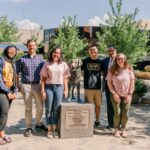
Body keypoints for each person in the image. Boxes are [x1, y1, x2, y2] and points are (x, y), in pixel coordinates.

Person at [16, 39, 47, 137]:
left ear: (36, 46)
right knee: (28, 108)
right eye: (30, 45)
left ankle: (38, 124)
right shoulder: (22, 59)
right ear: (27, 46)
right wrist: (18, 85)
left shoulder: (41, 59)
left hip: (37, 85)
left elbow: (44, 74)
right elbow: (17, 73)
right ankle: (29, 127)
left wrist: (43, 87)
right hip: (26, 85)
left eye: (33, 45)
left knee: (40, 107)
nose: (31, 47)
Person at [40, 47, 70, 139]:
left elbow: (65, 78)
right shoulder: (47, 64)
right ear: (51, 53)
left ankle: (55, 129)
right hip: (49, 87)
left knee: (56, 109)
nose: (56, 54)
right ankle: (49, 129)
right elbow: (43, 79)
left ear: (60, 54)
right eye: (54, 52)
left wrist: (66, 89)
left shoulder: (64, 64)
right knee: (48, 108)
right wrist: (43, 90)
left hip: (59, 88)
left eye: (58, 53)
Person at [106, 53, 135, 138]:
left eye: (122, 58)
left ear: (125, 59)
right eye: (118, 59)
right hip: (116, 95)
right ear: (116, 60)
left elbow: (132, 82)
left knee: (125, 112)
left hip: (127, 95)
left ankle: (123, 129)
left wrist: (129, 95)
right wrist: (114, 94)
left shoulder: (129, 69)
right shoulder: (112, 69)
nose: (120, 60)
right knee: (117, 113)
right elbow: (108, 82)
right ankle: (116, 129)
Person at [81, 45, 103, 128]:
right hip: (88, 87)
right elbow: (78, 69)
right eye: (91, 50)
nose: (93, 51)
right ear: (89, 52)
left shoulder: (101, 62)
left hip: (98, 88)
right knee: (89, 105)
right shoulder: (85, 61)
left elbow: (107, 71)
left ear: (97, 51)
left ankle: (97, 120)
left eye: (94, 50)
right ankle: (89, 120)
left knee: (98, 105)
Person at [0, 45, 18, 145]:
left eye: (14, 51)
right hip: (2, 90)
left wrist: (15, 92)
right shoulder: (1, 60)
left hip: (10, 91)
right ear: (7, 51)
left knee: (4, 113)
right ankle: (1, 135)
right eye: (10, 50)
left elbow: (15, 78)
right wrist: (7, 92)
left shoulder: (13, 63)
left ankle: (2, 134)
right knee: (3, 113)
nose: (12, 52)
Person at [102, 47, 117, 129]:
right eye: (109, 51)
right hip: (108, 86)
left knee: (118, 105)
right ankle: (110, 123)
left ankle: (119, 123)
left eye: (112, 51)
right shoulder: (105, 61)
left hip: (118, 87)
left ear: (116, 51)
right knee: (109, 105)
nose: (111, 52)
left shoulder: (120, 59)